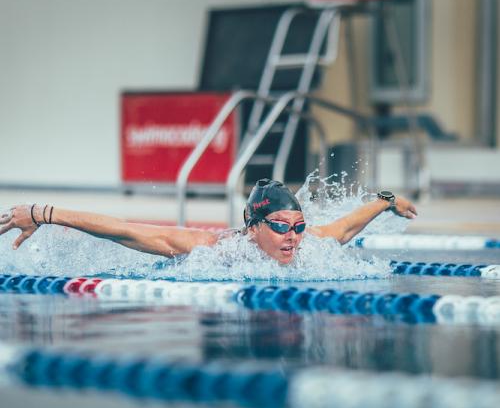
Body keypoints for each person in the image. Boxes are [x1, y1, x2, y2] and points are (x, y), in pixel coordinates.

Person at [0, 179, 417, 265]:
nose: (293, 237)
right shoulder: (213, 249)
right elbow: (127, 230)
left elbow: (344, 227)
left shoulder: (309, 243)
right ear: (252, 226)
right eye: (280, 226)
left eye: (299, 226)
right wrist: (43, 213)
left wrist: (385, 201)